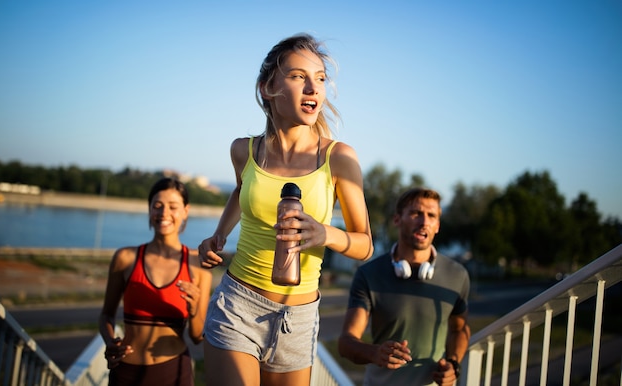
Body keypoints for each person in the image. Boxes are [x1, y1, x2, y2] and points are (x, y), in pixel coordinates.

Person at [198, 33, 374, 386]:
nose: (313, 88)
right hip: (238, 306)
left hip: (300, 317)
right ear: (268, 87)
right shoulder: (243, 151)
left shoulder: (338, 158)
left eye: (320, 79)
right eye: (298, 77)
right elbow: (240, 190)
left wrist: (326, 234)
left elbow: (365, 244)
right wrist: (218, 235)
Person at [338, 188, 470, 386]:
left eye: (431, 215)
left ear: (437, 226)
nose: (424, 221)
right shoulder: (369, 274)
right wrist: (375, 353)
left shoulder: (458, 275)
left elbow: (459, 330)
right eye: (416, 213)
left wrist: (454, 364)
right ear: (397, 220)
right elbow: (346, 343)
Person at [99, 177, 211, 386]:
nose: (164, 214)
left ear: (185, 211)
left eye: (173, 207)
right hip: (125, 372)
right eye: (157, 206)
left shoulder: (197, 265)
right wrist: (109, 342)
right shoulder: (125, 258)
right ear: (149, 209)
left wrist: (194, 308)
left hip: (173, 372)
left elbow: (197, 336)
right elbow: (106, 314)